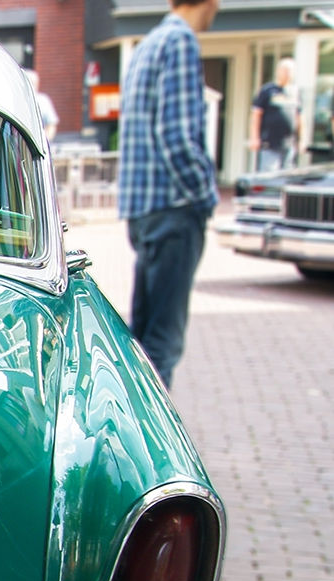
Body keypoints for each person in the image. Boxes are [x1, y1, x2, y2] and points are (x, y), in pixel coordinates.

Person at [116, 0, 220, 391]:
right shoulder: (180, 43)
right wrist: (204, 194)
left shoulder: (147, 46)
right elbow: (177, 136)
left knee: (142, 340)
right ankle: (149, 445)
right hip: (173, 207)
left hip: (143, 209)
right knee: (163, 342)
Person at [249, 58, 300, 173]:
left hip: (289, 143)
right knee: (269, 175)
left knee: (288, 175)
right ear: (278, 71)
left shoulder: (295, 92)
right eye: (285, 70)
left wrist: (302, 140)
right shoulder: (267, 90)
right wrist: (254, 137)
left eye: (290, 71)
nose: (288, 73)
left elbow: (300, 116)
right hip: (270, 142)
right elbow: (256, 114)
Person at [24, 69, 59, 142]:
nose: (31, 86)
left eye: (33, 83)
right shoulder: (17, 100)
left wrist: (45, 141)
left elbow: (51, 124)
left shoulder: (43, 101)